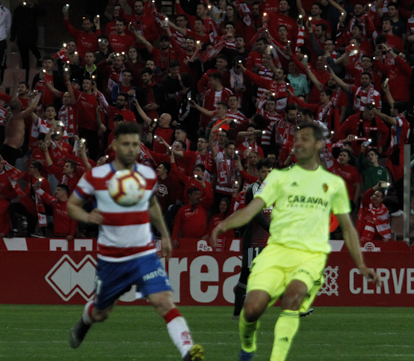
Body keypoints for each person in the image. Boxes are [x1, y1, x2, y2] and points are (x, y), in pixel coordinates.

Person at [210, 122, 378, 361]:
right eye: (296, 139)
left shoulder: (334, 185)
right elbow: (251, 210)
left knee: (292, 298)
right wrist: (225, 223)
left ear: (319, 145)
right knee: (252, 309)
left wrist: (361, 265)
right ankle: (247, 349)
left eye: (305, 139)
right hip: (276, 251)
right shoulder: (279, 178)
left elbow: (348, 228)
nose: (297, 143)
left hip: (310, 255)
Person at [67, 122, 204, 361]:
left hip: (144, 254)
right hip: (112, 260)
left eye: (135, 144)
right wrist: (88, 216)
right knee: (101, 313)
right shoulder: (96, 176)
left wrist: (165, 235)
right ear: (115, 145)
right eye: (126, 144)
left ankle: (188, 351)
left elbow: (151, 204)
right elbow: (71, 205)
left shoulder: (147, 174)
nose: (131, 149)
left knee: (163, 301)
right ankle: (85, 321)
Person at [232, 158, 272, 320]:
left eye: (269, 171)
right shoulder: (253, 189)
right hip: (254, 239)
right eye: (264, 171)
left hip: (268, 239)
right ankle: (237, 313)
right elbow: (256, 214)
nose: (267, 174)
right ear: (258, 172)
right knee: (246, 275)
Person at [10, 0, 47, 80]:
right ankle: (25, 78)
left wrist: (33, 5)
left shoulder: (32, 7)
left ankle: (39, 59)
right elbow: (14, 25)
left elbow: (43, 13)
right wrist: (12, 39)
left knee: (31, 45)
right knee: (24, 58)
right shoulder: (17, 10)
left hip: (31, 34)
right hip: (21, 36)